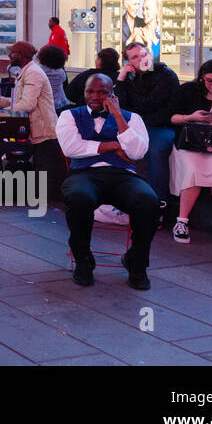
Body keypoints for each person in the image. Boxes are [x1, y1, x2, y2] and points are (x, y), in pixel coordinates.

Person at [57, 73, 157, 289]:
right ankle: (83, 262)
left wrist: (118, 116)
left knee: (148, 201)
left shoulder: (132, 118)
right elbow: (71, 148)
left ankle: (136, 263)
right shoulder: (69, 116)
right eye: (90, 91)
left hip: (122, 175)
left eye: (102, 92)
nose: (95, 96)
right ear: (83, 93)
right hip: (84, 174)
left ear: (112, 93)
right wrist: (114, 146)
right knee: (78, 198)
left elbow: (138, 152)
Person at [0, 41, 61, 185]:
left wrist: (1, 112)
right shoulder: (26, 71)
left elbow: (28, 104)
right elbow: (18, 101)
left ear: (21, 55)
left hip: (39, 128)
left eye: (12, 52)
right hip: (27, 123)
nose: (9, 55)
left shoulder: (33, 73)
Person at [168, 60, 212, 245]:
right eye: (209, 81)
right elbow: (172, 117)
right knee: (192, 170)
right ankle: (182, 221)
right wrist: (191, 117)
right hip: (190, 143)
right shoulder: (189, 90)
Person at [113, 41, 180, 217]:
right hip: (136, 125)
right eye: (135, 57)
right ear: (128, 62)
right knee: (109, 145)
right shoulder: (129, 77)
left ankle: (158, 204)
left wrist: (135, 114)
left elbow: (148, 104)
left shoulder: (166, 75)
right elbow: (119, 106)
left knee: (156, 151)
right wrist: (121, 79)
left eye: (143, 54)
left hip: (160, 125)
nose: (141, 59)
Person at [37, 44, 72, 112]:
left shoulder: (39, 70)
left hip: (43, 104)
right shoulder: (61, 73)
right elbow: (64, 79)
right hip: (59, 104)